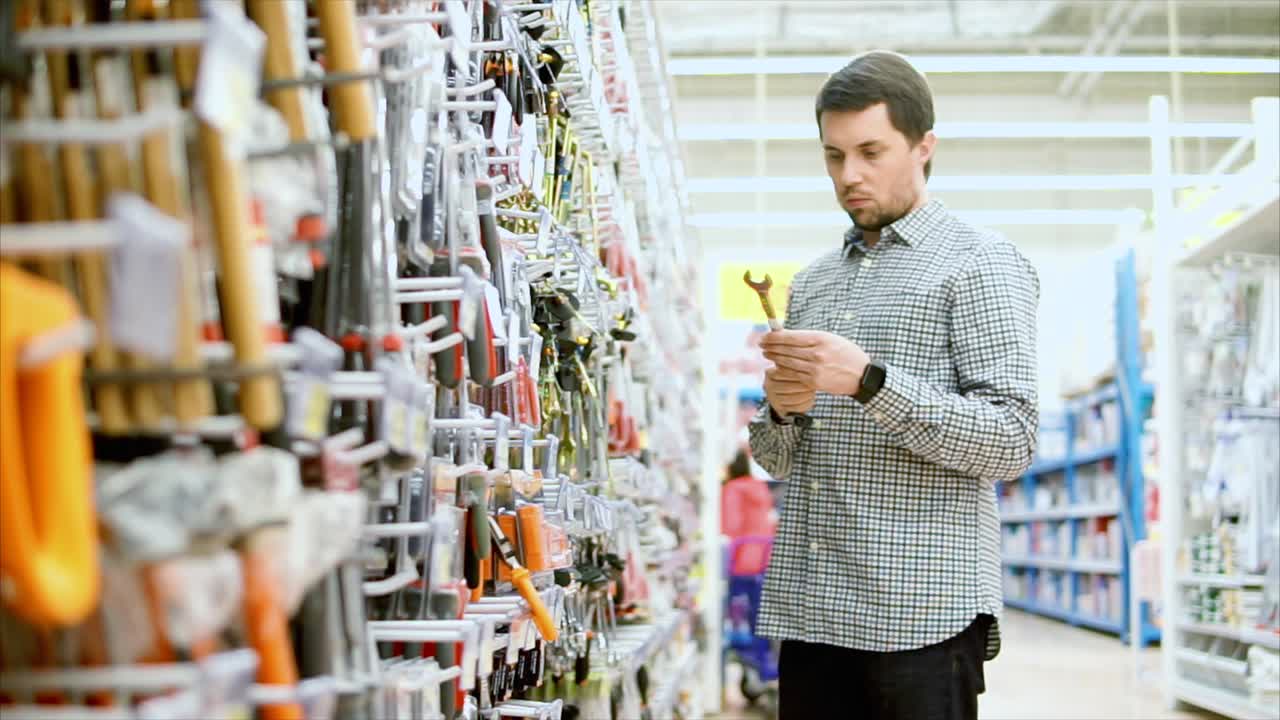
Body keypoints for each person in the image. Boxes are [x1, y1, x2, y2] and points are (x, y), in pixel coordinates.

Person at [748, 50, 1040, 720]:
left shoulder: (980, 263)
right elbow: (775, 460)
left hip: (919, 623)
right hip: (813, 611)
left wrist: (871, 382)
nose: (849, 176)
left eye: (871, 151)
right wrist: (784, 413)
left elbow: (1013, 440)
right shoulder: (815, 282)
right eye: (833, 155)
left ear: (923, 146)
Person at [720, 448, 776, 576]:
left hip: (741, 553)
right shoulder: (759, 486)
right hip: (765, 552)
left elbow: (731, 524)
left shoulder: (733, 488)